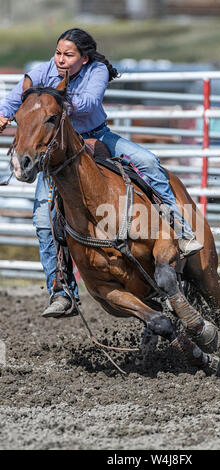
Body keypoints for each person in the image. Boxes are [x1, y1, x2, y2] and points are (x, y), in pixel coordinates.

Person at [0, 28, 202, 318]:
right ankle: (61, 290)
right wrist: (3, 114)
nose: (61, 59)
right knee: (44, 218)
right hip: (58, 149)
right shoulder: (40, 72)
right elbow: (12, 102)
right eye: (58, 53)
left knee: (148, 162)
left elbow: (90, 103)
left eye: (68, 55)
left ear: (84, 58)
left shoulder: (97, 71)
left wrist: (56, 102)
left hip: (97, 136)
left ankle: (180, 228)